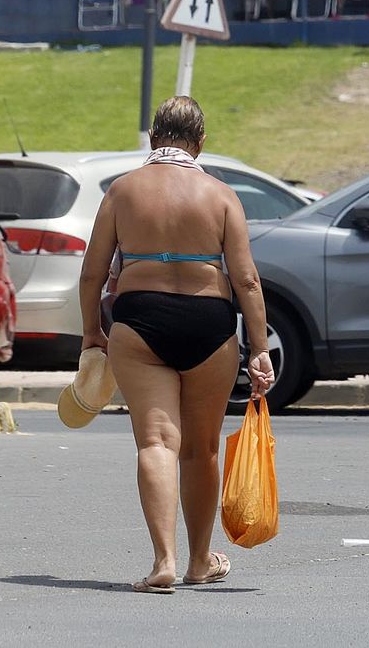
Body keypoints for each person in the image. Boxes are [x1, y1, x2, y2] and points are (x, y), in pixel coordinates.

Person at [78, 97, 276, 594]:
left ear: (152, 137)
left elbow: (92, 272)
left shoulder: (122, 192)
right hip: (209, 322)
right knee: (202, 449)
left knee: (156, 442)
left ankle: (163, 562)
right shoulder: (222, 195)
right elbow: (247, 280)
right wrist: (258, 347)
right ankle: (199, 560)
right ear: (201, 142)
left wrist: (91, 335)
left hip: (139, 321)